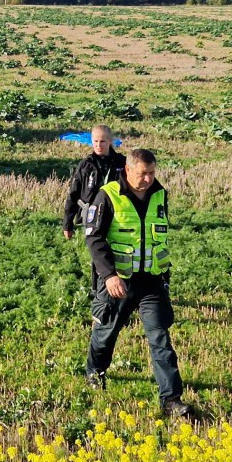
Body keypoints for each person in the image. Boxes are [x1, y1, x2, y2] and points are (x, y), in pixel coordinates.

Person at [83, 148, 192, 418]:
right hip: (118, 283)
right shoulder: (107, 195)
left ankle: (171, 399)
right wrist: (109, 275)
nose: (148, 179)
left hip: (151, 281)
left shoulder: (160, 194)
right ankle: (95, 372)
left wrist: (164, 277)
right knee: (105, 334)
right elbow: (94, 238)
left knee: (160, 339)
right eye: (143, 174)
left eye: (152, 173)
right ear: (128, 170)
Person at [63, 125, 125, 240]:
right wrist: (67, 224)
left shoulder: (122, 163)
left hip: (116, 216)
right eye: (95, 141)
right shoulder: (85, 164)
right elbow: (74, 193)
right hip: (90, 216)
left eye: (102, 141)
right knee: (94, 247)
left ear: (110, 141)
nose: (98, 145)